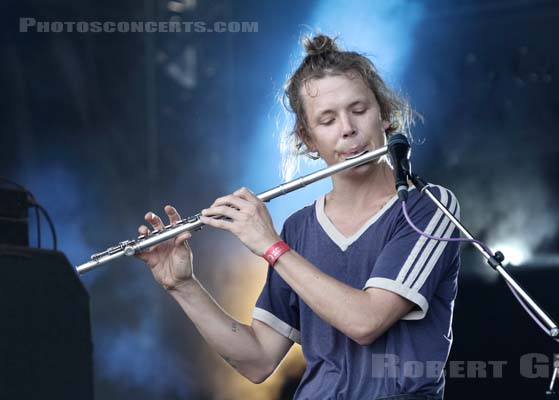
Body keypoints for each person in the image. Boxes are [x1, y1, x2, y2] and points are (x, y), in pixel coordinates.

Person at [136, 34, 460, 400]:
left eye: (359, 110)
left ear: (384, 115)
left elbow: (366, 321)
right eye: (327, 120)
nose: (348, 129)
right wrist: (183, 286)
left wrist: (271, 247)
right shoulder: (299, 228)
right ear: (307, 138)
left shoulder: (429, 209)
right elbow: (257, 360)